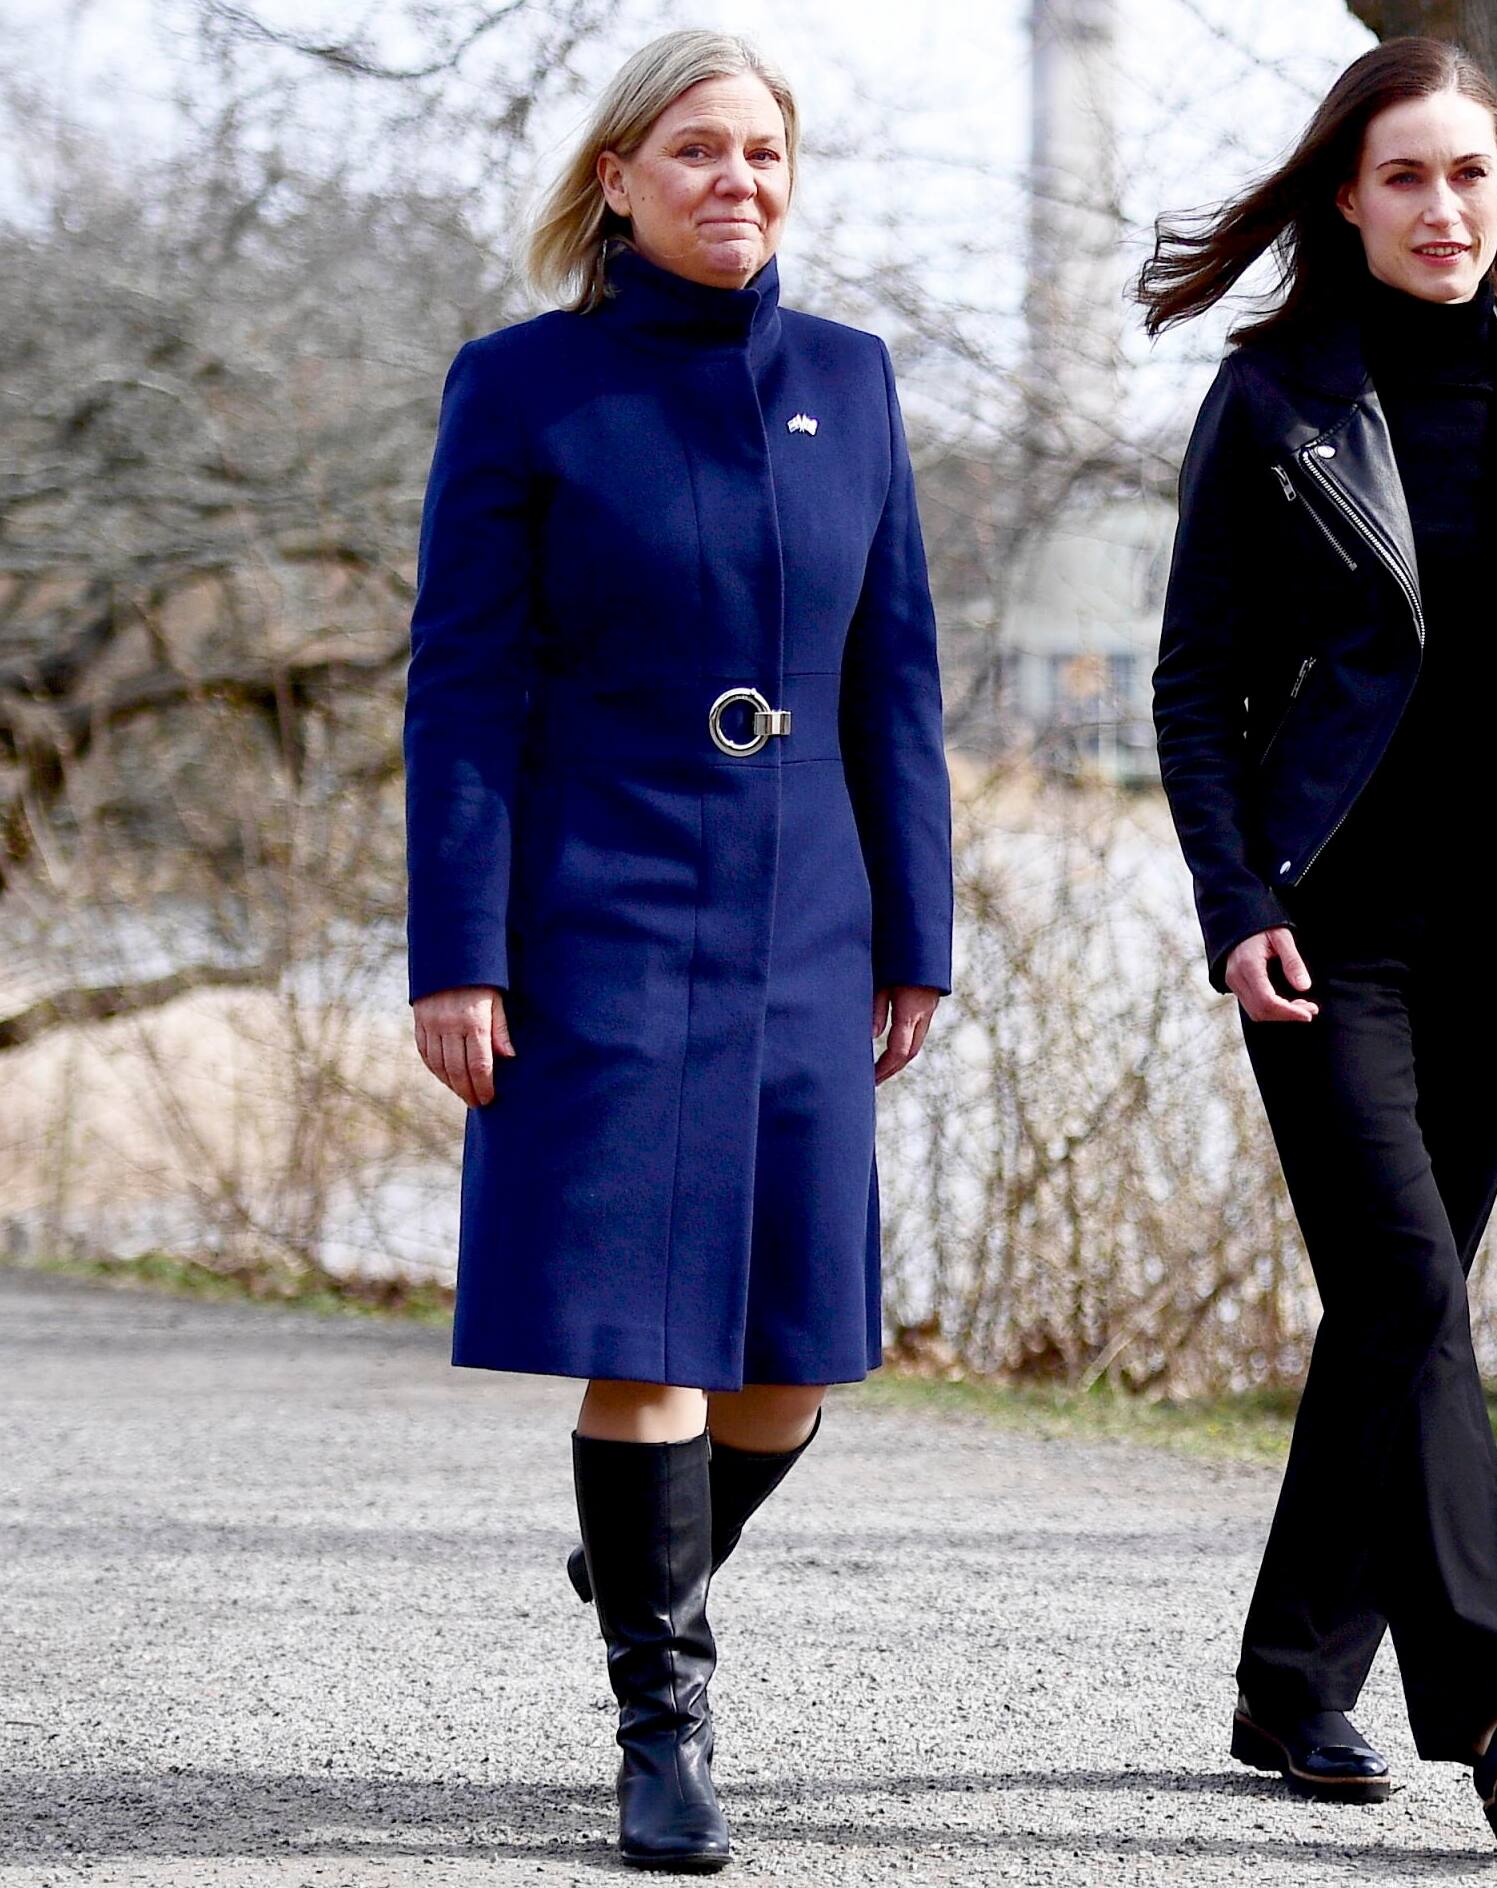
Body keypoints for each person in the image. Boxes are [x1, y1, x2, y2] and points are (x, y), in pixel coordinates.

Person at [400, 29, 951, 1874]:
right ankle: (666, 1728)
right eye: (697, 150)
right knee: (647, 1341)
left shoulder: (857, 386)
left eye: (766, 152)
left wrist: (918, 934)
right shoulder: (521, 388)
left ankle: (635, 1548)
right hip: (605, 905)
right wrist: (454, 954)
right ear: (619, 179)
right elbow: (464, 692)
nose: (738, 179)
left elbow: (899, 679)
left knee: (793, 1361)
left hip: (809, 911)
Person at [1136, 35, 1497, 1859]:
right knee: (1414, 1286)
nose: (1447, 211)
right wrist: (1237, 906)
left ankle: (1293, 1684)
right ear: (1345, 200)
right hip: (1329, 914)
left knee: (1393, 1309)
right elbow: (1197, 686)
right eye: (1407, 179)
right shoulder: (1274, 400)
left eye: (1472, 174)